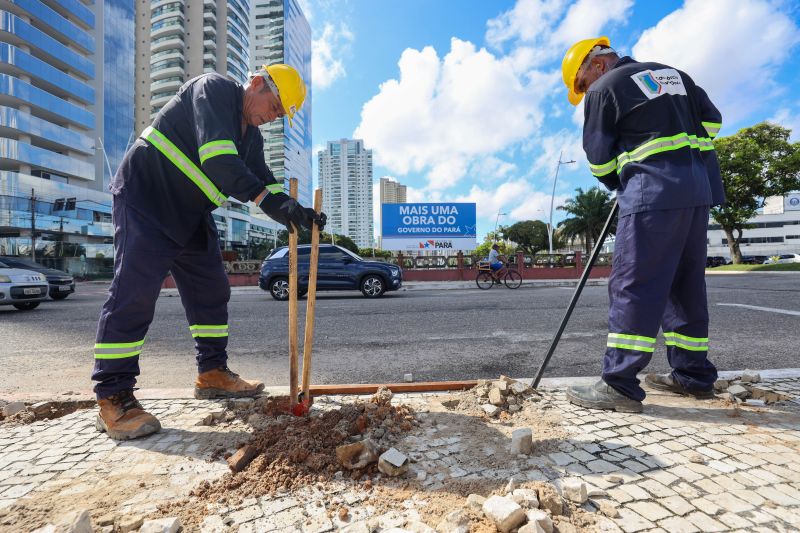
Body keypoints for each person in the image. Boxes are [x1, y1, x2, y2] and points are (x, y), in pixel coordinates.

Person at [92, 64, 326, 440]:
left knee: (212, 289)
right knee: (134, 294)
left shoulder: (252, 140)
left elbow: (264, 182)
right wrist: (271, 203)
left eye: (280, 115)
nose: (273, 117)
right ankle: (113, 397)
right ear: (257, 83)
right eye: (274, 106)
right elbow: (219, 162)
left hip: (190, 212)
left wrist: (296, 212)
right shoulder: (213, 89)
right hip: (148, 197)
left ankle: (212, 372)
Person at [560, 37, 724, 413]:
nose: (584, 92)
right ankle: (693, 376)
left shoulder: (604, 88)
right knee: (685, 287)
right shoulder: (675, 75)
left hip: (652, 194)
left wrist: (624, 175)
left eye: (581, 84)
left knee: (634, 286)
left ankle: (619, 384)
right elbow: (712, 123)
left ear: (597, 64)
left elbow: (599, 160)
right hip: (698, 191)